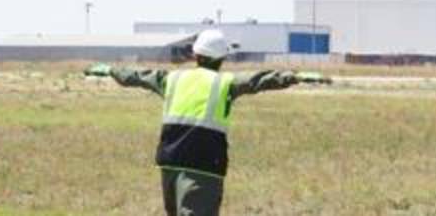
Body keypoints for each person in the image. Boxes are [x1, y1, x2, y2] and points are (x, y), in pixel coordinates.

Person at [85, 29, 330, 216]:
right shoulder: (225, 83)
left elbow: (136, 76)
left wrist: (109, 70)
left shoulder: (172, 78)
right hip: (203, 167)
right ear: (222, 58)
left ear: (195, 55)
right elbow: (260, 80)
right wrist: (295, 76)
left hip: (170, 165)